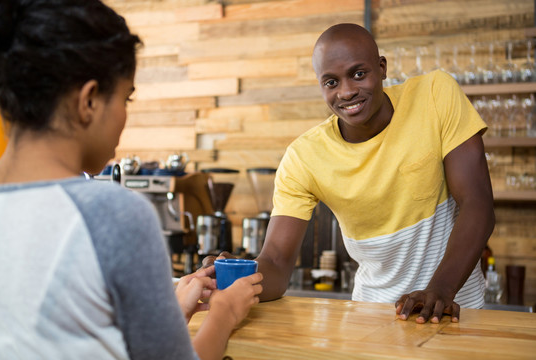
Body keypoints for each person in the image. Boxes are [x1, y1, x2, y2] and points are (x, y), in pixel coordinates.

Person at [0, 1, 262, 359]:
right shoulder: (113, 213)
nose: (125, 115)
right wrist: (225, 313)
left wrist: (175, 313)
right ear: (89, 101)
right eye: (126, 97)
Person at [204, 23, 495, 324]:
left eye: (359, 74)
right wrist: (237, 278)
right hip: (371, 320)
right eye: (331, 82)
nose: (346, 92)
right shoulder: (304, 157)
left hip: (453, 311)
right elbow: (276, 261)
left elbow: (478, 203)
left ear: (381, 68)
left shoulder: (435, 95)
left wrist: (441, 290)